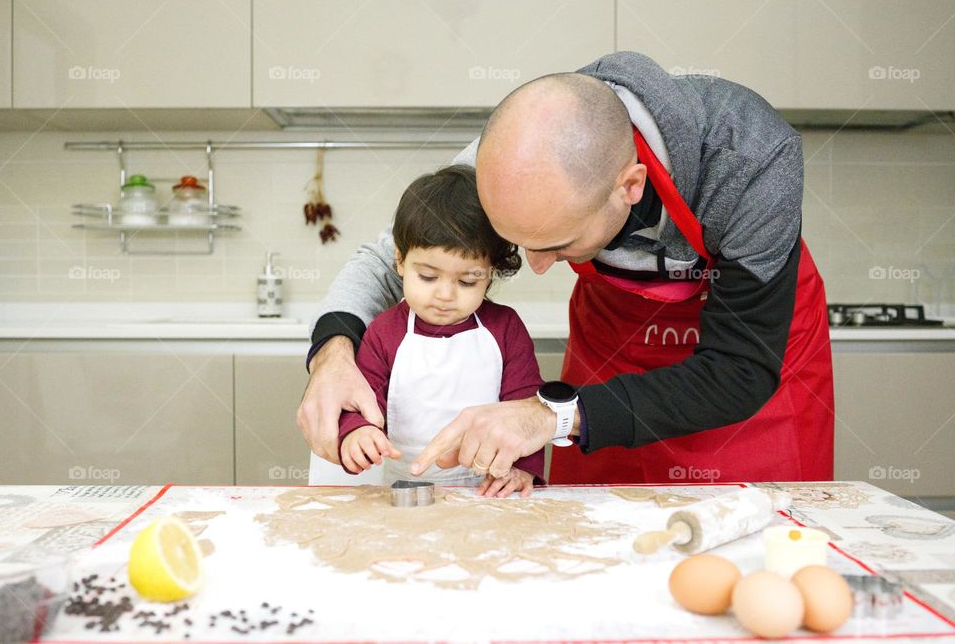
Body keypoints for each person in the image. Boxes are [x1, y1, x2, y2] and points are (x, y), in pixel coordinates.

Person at [298, 51, 833, 486]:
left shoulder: (752, 162)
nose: (535, 267)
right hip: (612, 352)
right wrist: (332, 354)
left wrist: (551, 414)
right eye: (517, 241)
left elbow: (738, 371)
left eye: (559, 243)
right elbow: (385, 261)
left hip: (742, 381)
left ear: (630, 187)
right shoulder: (514, 154)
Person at [326, 164, 544, 497]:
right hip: (404, 488)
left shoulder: (506, 329)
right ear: (400, 261)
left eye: (467, 281)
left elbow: (525, 408)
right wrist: (356, 433)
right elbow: (360, 401)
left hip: (489, 488)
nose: (445, 295)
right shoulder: (384, 333)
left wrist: (522, 468)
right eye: (428, 277)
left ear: (490, 273)